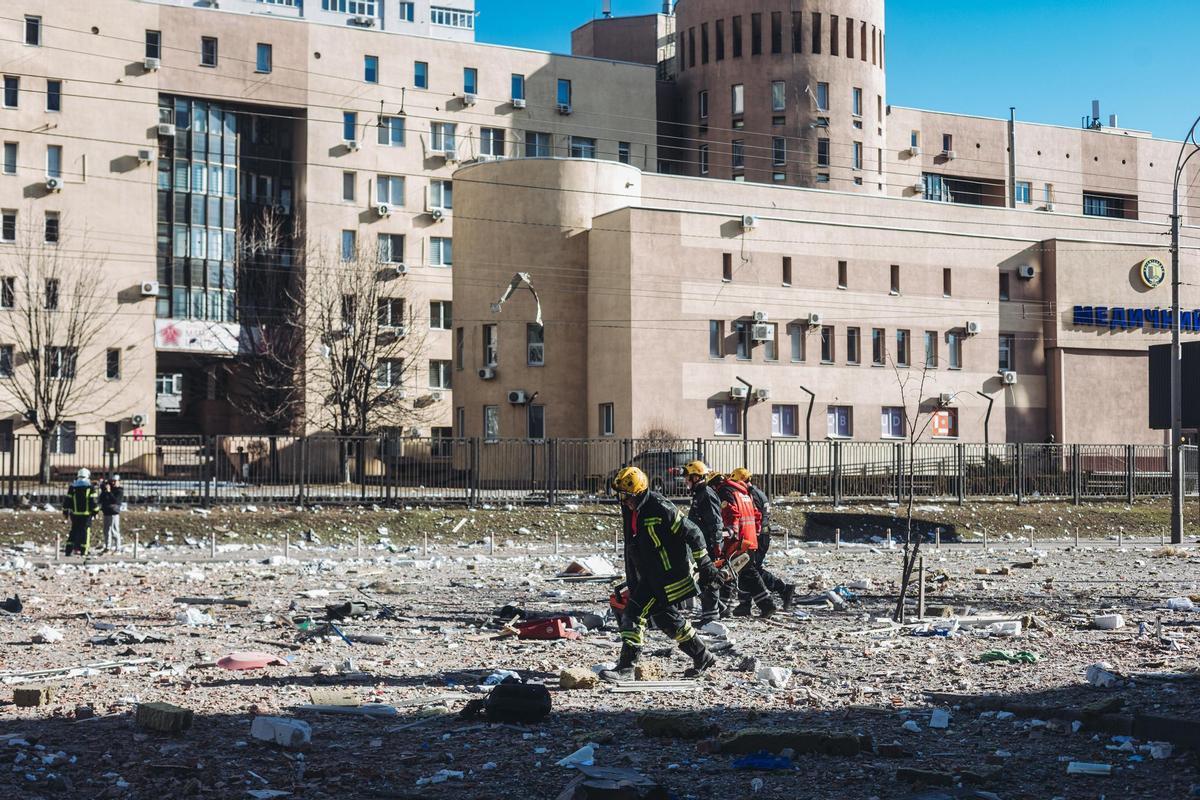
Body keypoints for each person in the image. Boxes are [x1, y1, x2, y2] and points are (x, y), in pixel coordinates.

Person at [600, 466, 722, 683]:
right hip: (650, 575)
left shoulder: (659, 506)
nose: (623, 501)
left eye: (626, 496)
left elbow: (693, 532)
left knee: (633, 614)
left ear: (637, 492)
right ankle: (703, 656)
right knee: (666, 618)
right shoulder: (632, 510)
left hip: (667, 576)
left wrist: (705, 563)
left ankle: (627, 667)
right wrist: (633, 580)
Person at [711, 470, 777, 618]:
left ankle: (725, 607)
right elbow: (756, 514)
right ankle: (766, 604)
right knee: (748, 573)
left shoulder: (725, 492)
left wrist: (730, 532)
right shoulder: (743, 493)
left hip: (737, 540)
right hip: (750, 538)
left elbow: (731, 513)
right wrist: (756, 532)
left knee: (729, 571)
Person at [729, 467, 795, 610]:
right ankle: (745, 603)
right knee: (748, 569)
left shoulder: (751, 495)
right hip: (760, 535)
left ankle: (782, 589)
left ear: (744, 481)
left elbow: (755, 518)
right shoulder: (757, 493)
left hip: (758, 537)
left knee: (750, 570)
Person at [684, 460, 726, 625]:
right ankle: (718, 608)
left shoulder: (706, 494)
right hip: (701, 543)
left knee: (709, 578)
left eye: (688, 478)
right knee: (701, 578)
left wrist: (716, 544)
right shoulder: (699, 493)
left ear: (696, 477)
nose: (686, 481)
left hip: (708, 543)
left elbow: (715, 522)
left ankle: (710, 617)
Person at [62, 468, 99, 557]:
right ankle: (84, 551)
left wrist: (65, 512)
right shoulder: (90, 488)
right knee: (85, 533)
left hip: (75, 515)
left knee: (73, 532)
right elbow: (93, 502)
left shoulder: (73, 487)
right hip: (86, 515)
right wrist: (96, 512)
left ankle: (68, 550)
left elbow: (67, 501)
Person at [99, 475, 124, 553]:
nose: (113, 483)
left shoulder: (119, 491)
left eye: (115, 481)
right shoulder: (108, 489)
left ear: (119, 482)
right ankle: (107, 547)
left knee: (114, 530)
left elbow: (115, 501)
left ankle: (118, 548)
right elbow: (101, 499)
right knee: (106, 530)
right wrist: (104, 489)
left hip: (114, 512)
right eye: (112, 481)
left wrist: (109, 492)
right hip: (106, 512)